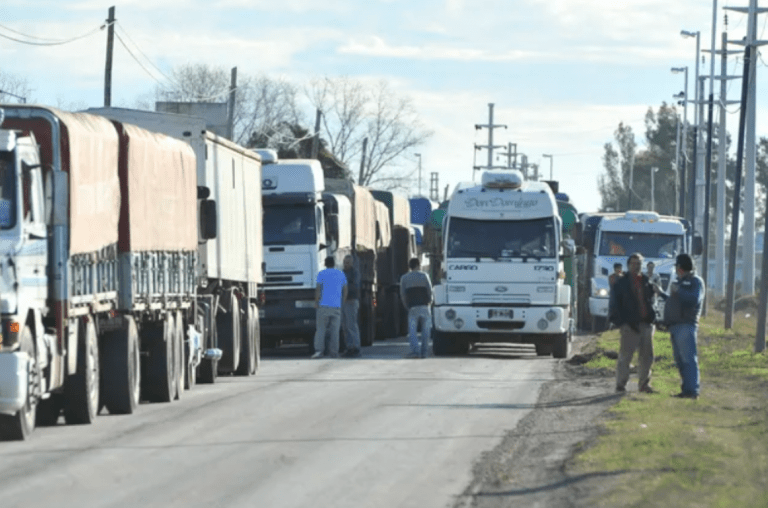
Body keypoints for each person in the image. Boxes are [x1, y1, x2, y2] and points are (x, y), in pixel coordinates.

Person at [655, 253, 704, 400]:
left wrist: (679, 291)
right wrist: (662, 294)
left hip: (686, 325)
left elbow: (693, 300)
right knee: (680, 360)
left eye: (677, 267)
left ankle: (692, 390)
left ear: (680, 268)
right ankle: (686, 389)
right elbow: (674, 301)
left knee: (688, 359)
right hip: (675, 326)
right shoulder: (680, 282)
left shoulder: (696, 282)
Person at [608, 253, 657, 394]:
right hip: (629, 325)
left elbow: (651, 301)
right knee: (625, 357)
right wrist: (619, 322)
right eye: (634, 264)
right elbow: (614, 304)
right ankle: (620, 385)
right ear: (629, 265)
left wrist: (653, 318)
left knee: (647, 357)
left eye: (639, 264)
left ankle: (644, 385)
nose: (636, 266)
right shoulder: (621, 283)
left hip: (646, 324)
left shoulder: (646, 281)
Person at [312, 256, 347, 359]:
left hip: (323, 305)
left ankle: (319, 351)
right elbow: (345, 290)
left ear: (325, 264)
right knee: (335, 331)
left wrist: (316, 301)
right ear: (334, 263)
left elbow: (318, 289)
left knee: (321, 329)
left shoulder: (321, 274)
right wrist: (342, 302)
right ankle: (334, 352)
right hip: (336, 306)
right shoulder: (341, 274)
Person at [399, 257, 433, 358]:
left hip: (412, 307)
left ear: (410, 266)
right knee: (426, 331)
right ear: (418, 265)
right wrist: (430, 302)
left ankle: (416, 351)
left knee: (412, 331)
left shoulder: (404, 278)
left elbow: (403, 294)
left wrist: (406, 306)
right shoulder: (425, 276)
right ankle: (424, 351)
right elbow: (430, 291)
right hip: (425, 306)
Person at [341, 255, 362, 358]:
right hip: (343, 302)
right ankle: (349, 347)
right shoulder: (342, 272)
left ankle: (356, 347)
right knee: (345, 326)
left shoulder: (355, 273)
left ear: (352, 263)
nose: (346, 264)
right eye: (345, 262)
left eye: (348, 262)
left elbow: (354, 286)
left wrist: (344, 286)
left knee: (352, 325)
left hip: (351, 301)